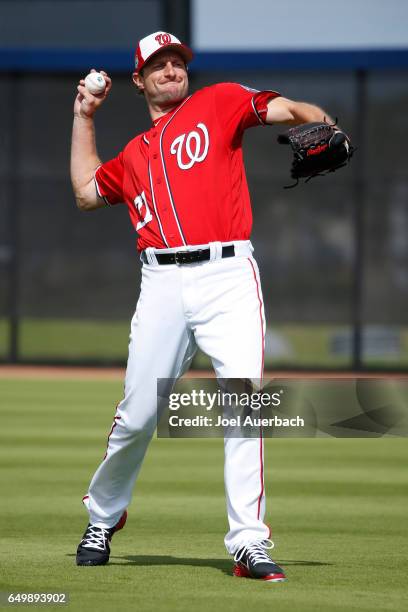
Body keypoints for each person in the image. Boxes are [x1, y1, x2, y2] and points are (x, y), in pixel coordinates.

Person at [71, 31, 335, 581]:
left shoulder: (218, 103)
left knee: (244, 403)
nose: (171, 70)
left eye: (177, 62)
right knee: (137, 415)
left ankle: (248, 543)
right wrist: (84, 116)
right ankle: (103, 515)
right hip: (161, 284)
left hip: (227, 274)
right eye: (158, 65)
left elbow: (287, 108)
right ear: (139, 80)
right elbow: (86, 193)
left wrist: (322, 122)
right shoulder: (134, 156)